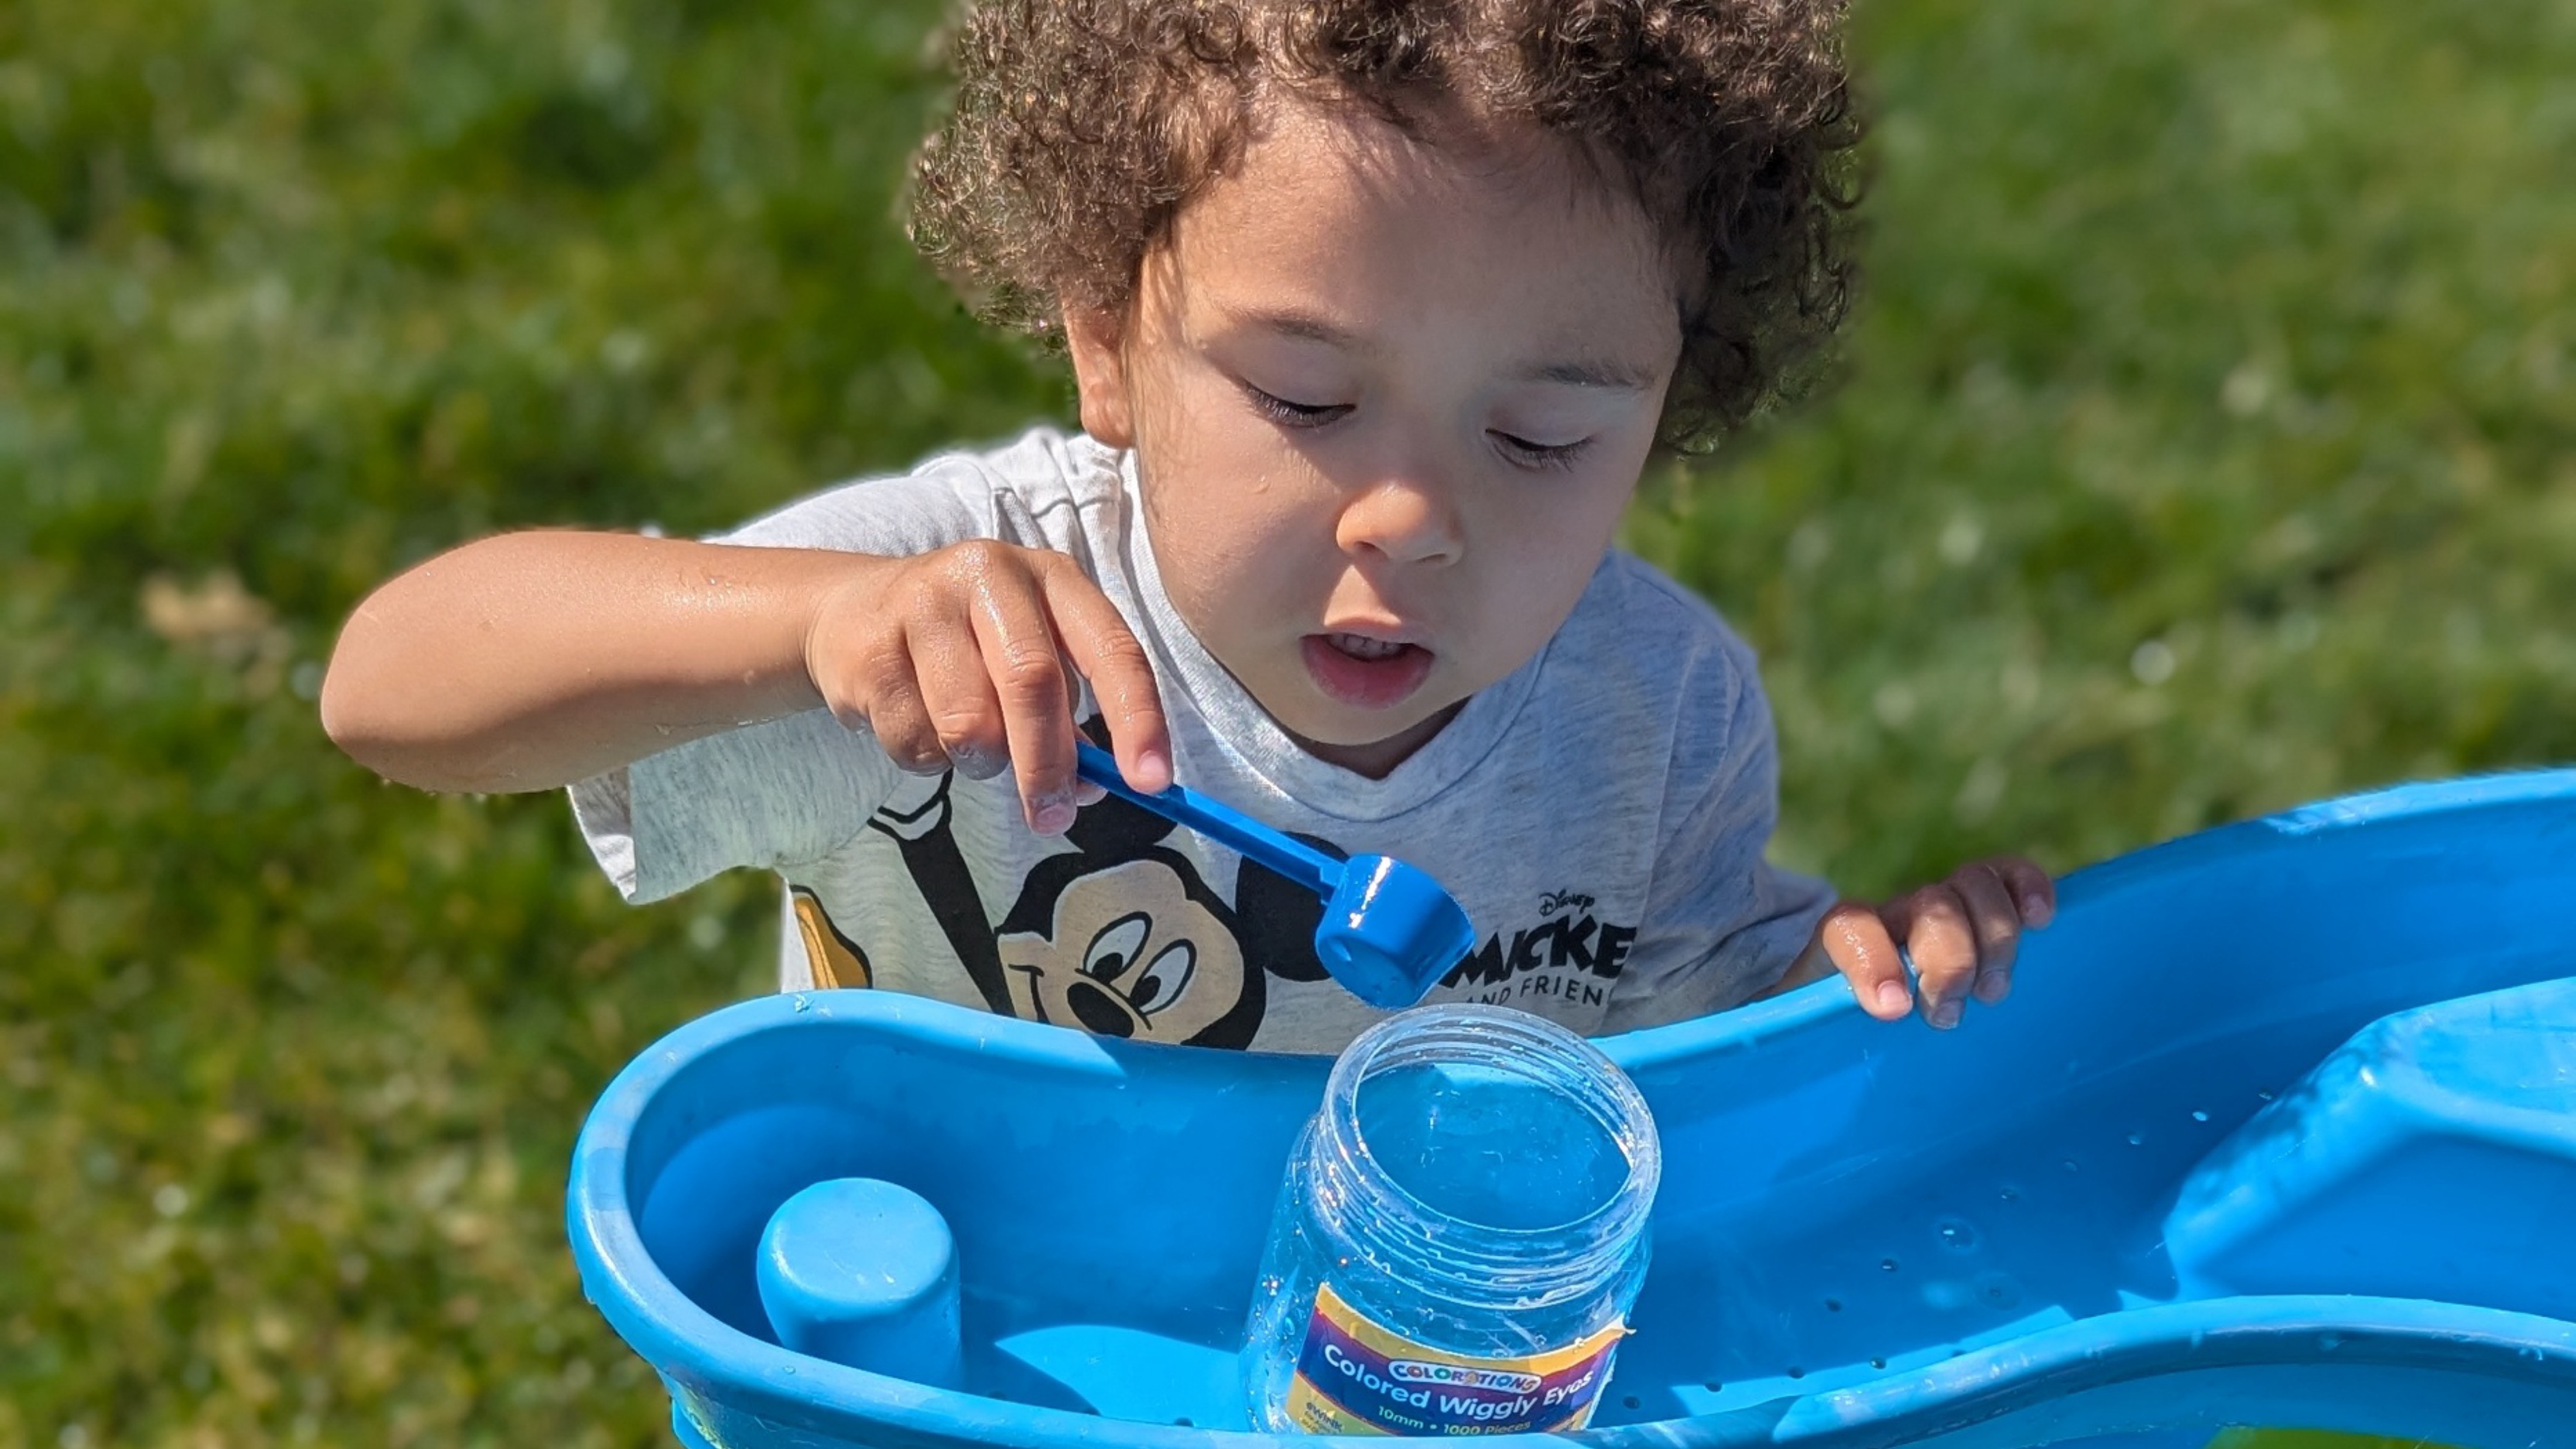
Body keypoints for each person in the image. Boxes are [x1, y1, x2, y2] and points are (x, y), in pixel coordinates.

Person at [320, 0, 2053, 1053]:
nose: (1410, 517)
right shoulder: (948, 627)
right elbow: (391, 689)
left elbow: (1699, 1057)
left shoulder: (1657, 721)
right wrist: (806, 627)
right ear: (1106, 343)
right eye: (1306, 400)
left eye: (1543, 435)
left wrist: (1867, 972)